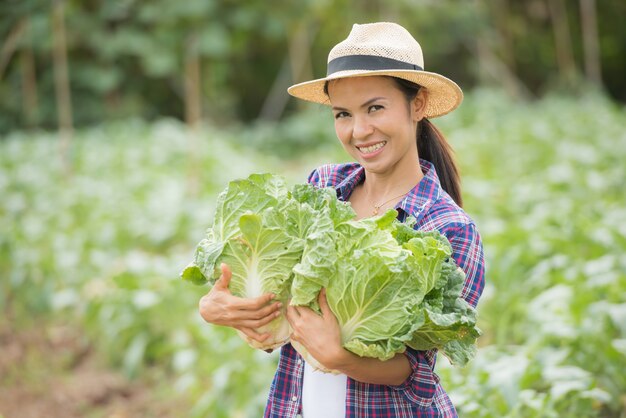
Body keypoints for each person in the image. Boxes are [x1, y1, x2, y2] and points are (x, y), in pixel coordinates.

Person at [199, 22, 485, 417]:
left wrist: (340, 356)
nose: (359, 130)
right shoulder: (323, 188)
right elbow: (289, 311)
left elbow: (417, 370)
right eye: (343, 114)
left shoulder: (449, 228)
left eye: (375, 108)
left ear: (416, 105)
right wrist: (227, 309)